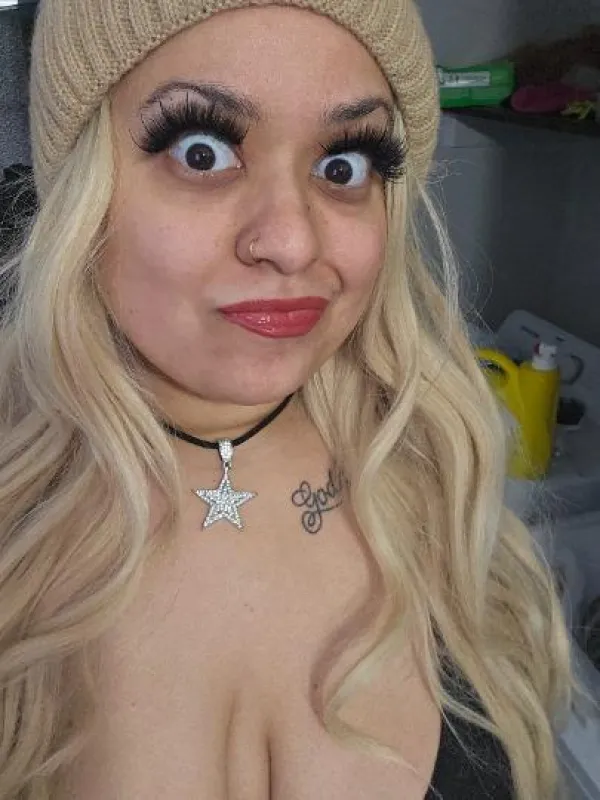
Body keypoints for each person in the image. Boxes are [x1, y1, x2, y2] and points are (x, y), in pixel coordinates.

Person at [0, 1, 573, 798]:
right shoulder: (17, 541)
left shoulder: (439, 496)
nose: (293, 241)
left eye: (344, 165)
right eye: (201, 151)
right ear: (79, 189)